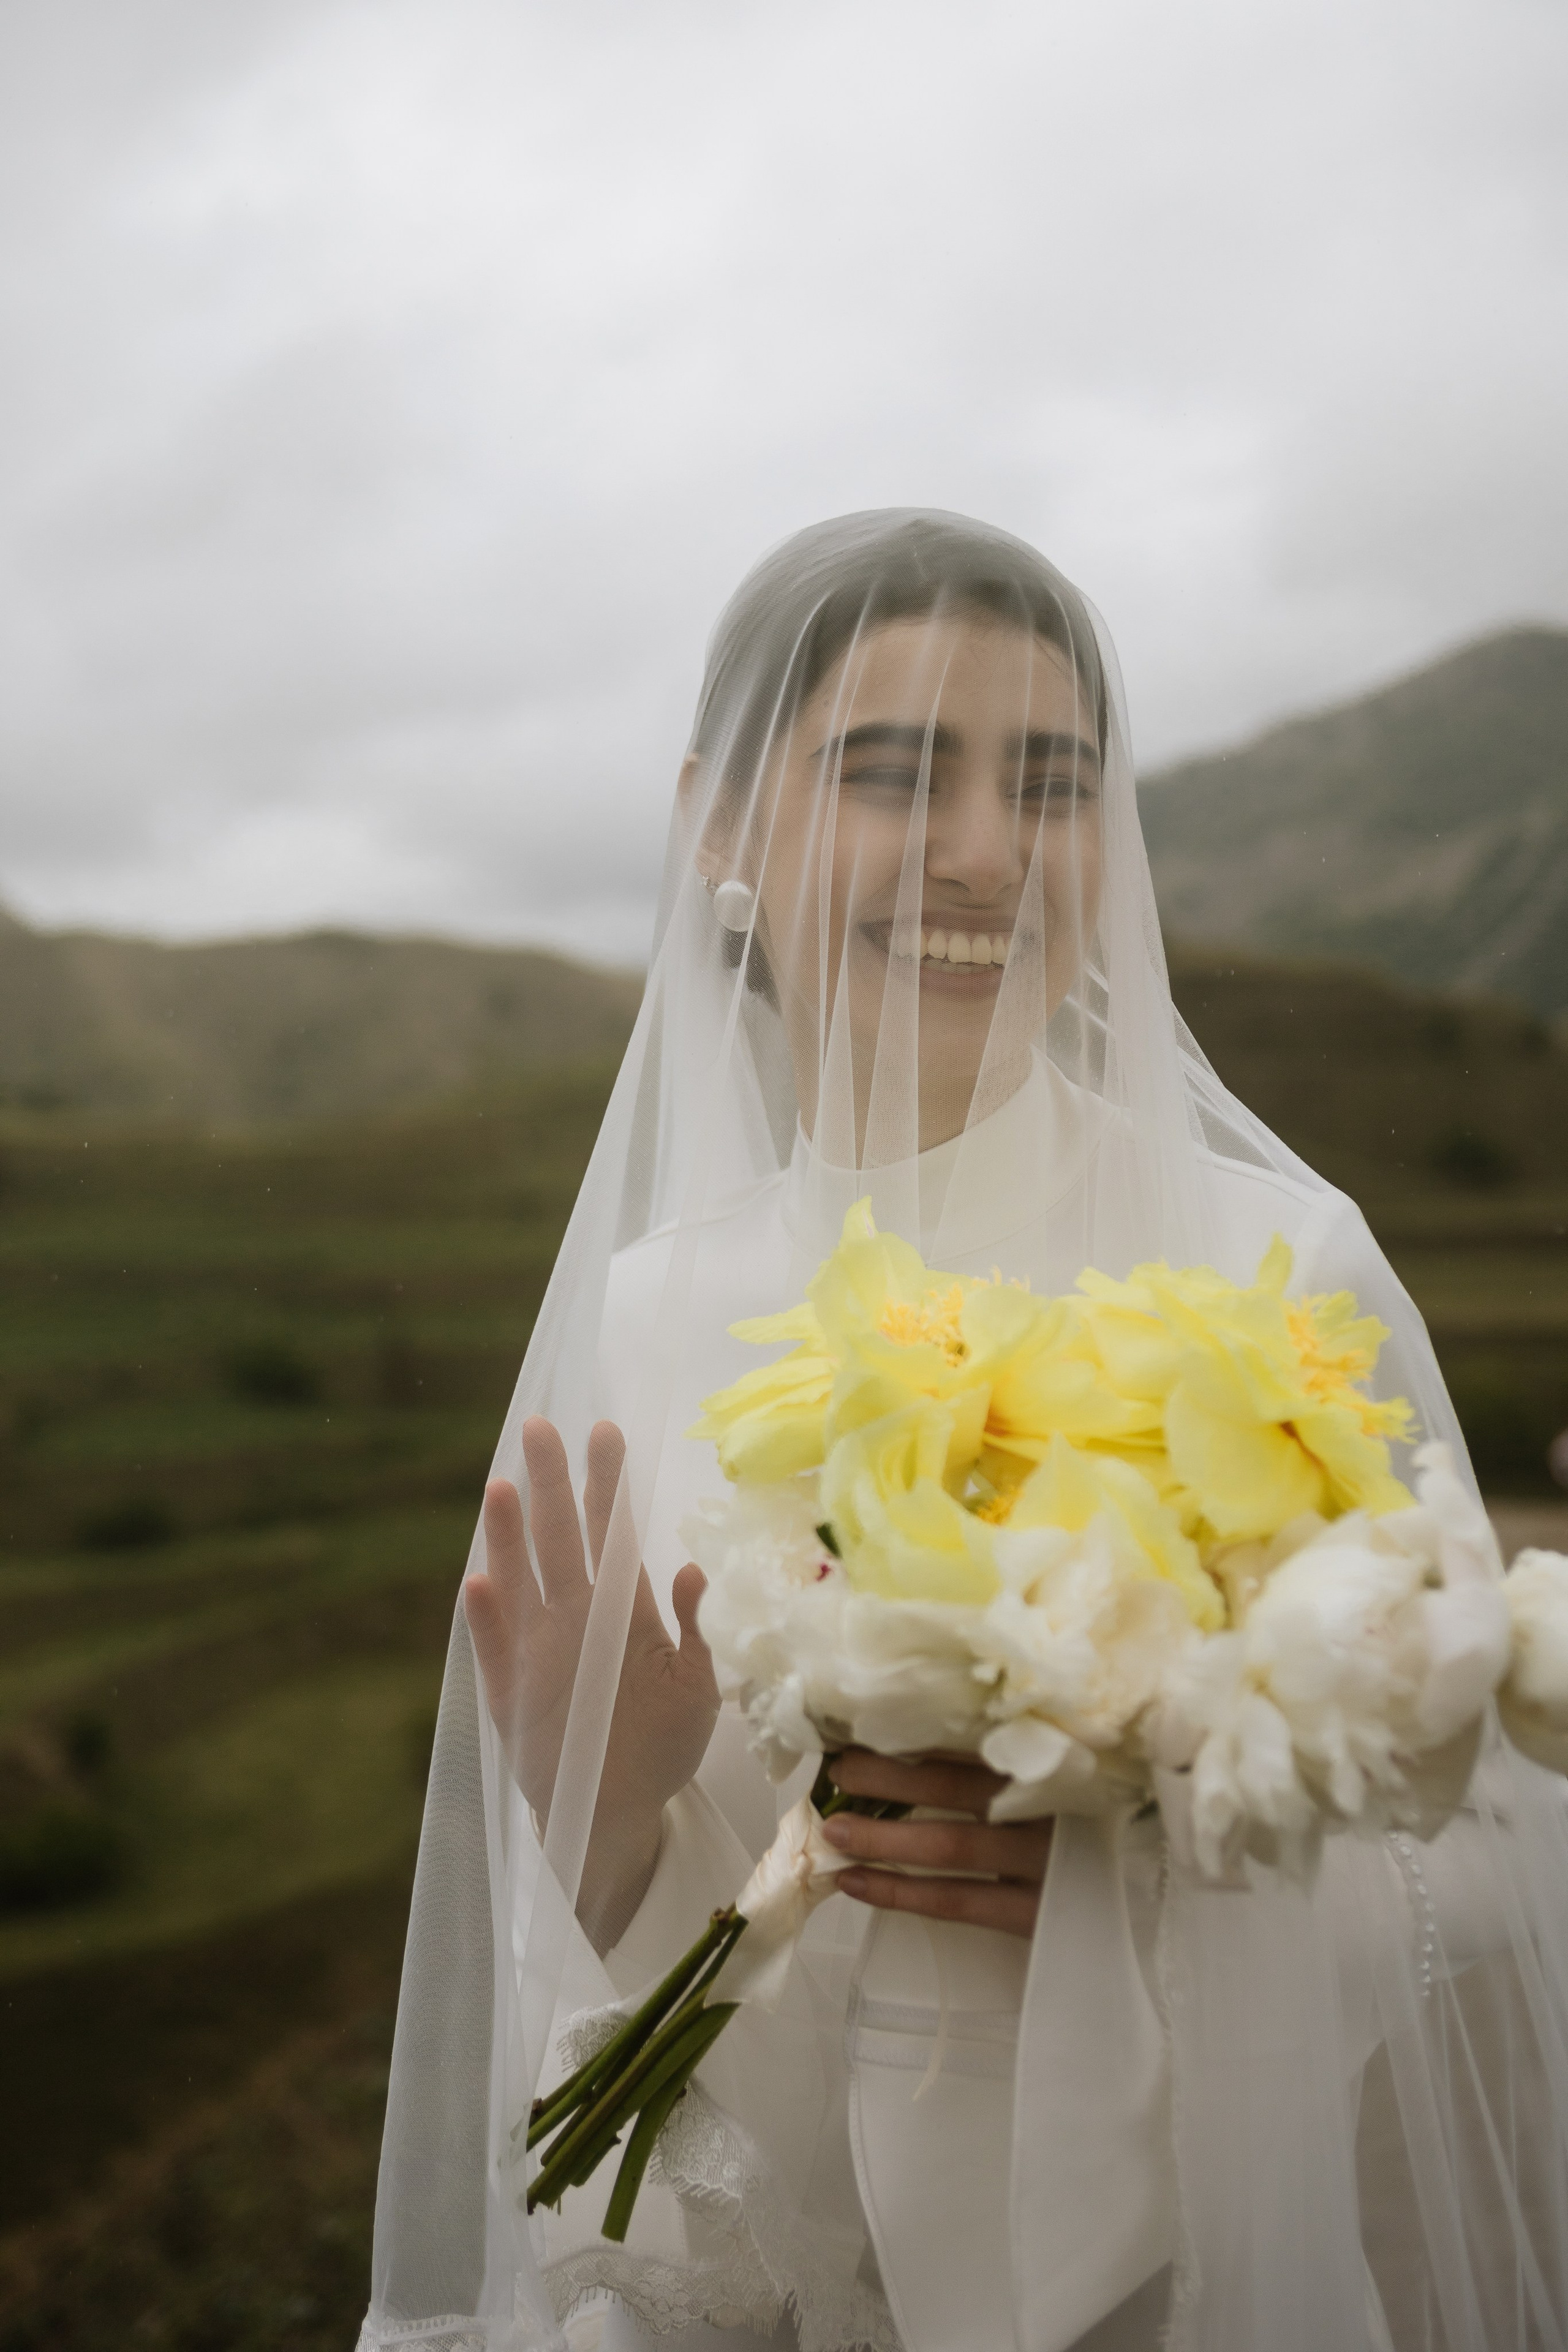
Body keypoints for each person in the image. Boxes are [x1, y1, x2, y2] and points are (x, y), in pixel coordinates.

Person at [359, 513, 1568, 2352]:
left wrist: (1150, 1888)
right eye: (894, 770)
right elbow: (658, 1931)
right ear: (720, 825)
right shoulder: (651, 1309)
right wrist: (599, 1816)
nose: (990, 849)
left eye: (1057, 783)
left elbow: (1501, 1846)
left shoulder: (1276, 1271)